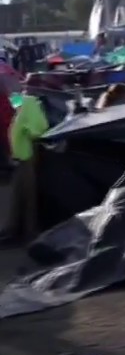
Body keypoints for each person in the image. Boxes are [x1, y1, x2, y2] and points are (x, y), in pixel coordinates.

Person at [4, 83, 50, 242]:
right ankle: (15, 230)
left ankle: (27, 233)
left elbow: (37, 130)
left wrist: (28, 131)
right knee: (20, 195)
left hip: (26, 158)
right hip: (21, 157)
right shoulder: (21, 105)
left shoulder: (28, 106)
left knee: (27, 196)